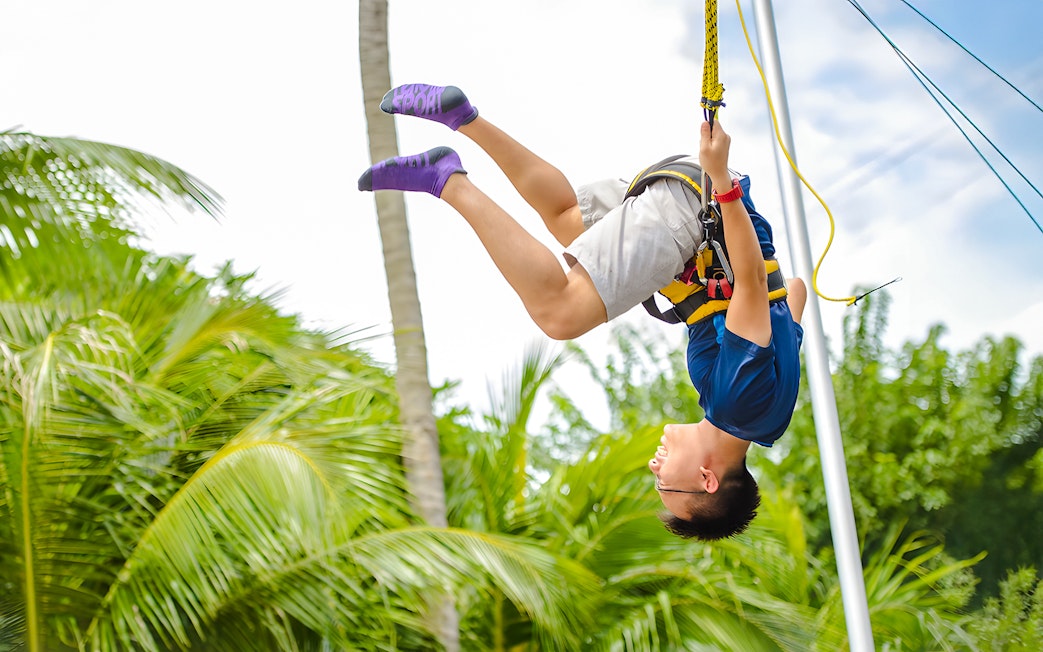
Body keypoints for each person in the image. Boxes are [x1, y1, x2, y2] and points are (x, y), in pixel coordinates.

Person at [359, 83, 807, 541]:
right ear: (707, 480)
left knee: (566, 218)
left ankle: (464, 117)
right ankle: (448, 182)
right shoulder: (738, 405)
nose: (654, 466)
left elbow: (792, 293)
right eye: (664, 480)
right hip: (700, 210)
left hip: (691, 208)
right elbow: (751, 286)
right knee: (561, 313)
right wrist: (724, 185)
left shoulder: (769, 420)